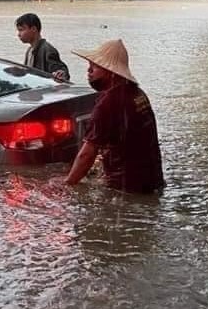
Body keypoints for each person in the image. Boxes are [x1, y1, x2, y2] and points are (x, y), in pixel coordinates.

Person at [65, 39, 165, 193]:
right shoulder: (137, 93)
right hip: (153, 181)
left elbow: (87, 154)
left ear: (111, 72)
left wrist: (67, 184)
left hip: (126, 187)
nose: (89, 70)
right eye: (89, 65)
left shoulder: (109, 102)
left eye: (95, 66)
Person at [15, 13, 69, 81]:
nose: (19, 34)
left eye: (21, 30)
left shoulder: (48, 50)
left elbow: (61, 72)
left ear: (34, 29)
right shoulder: (29, 50)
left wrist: (61, 74)